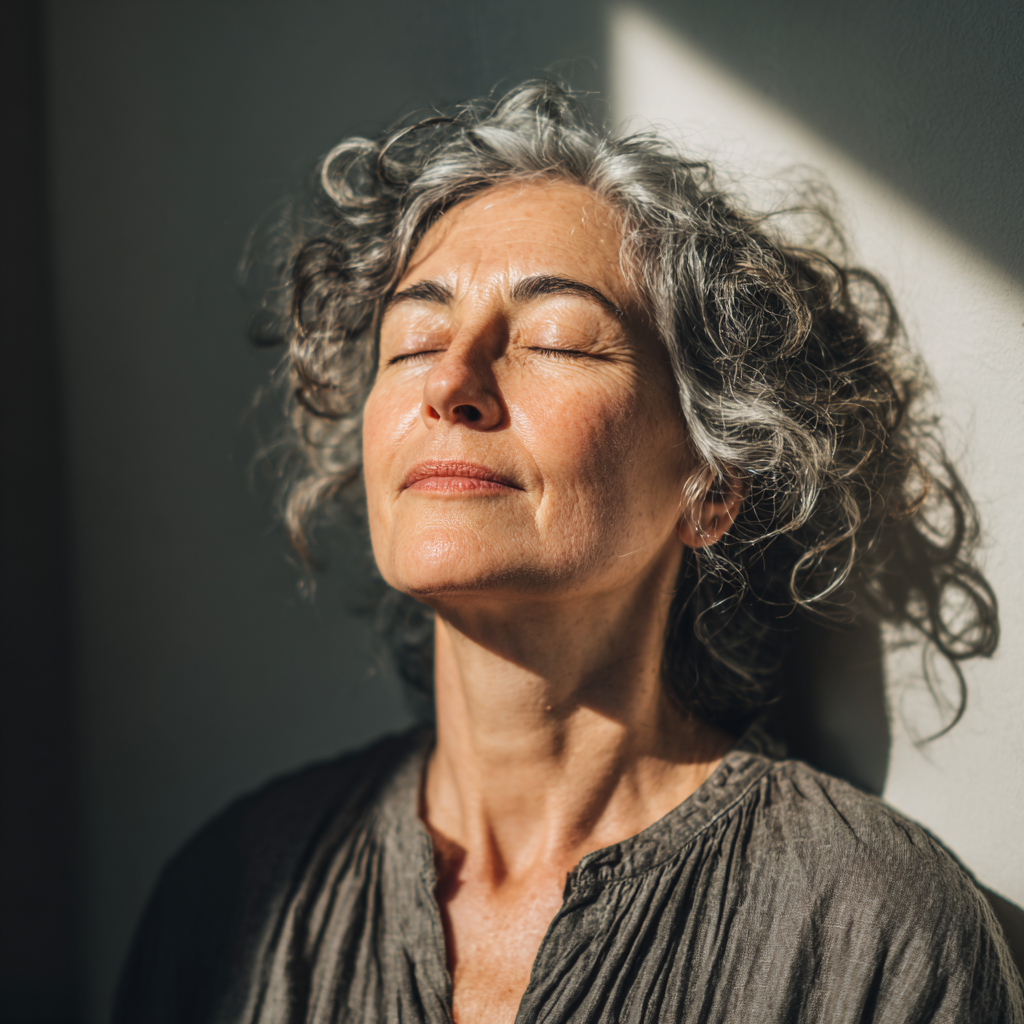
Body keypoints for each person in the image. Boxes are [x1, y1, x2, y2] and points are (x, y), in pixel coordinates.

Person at [114, 80, 1022, 1023]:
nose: (452, 384)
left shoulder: (871, 933)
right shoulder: (229, 899)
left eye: (556, 339)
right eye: (414, 340)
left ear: (712, 485)